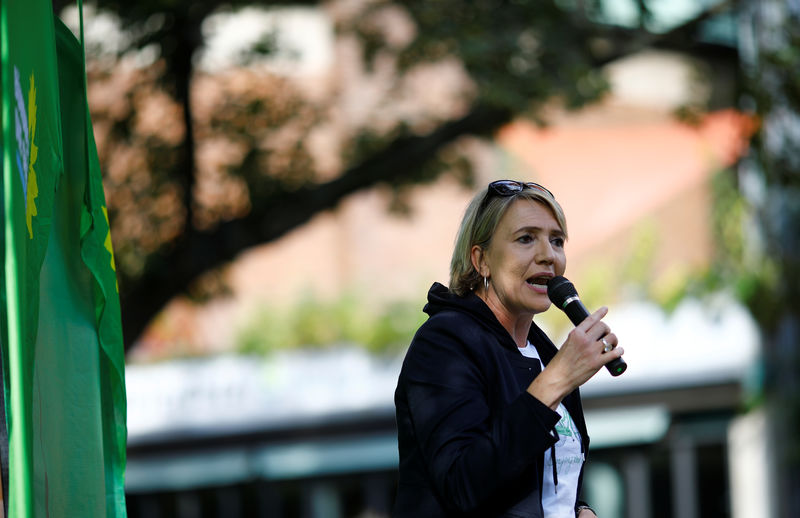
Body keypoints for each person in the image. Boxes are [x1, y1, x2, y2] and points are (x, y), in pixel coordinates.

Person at [393, 180, 625, 517]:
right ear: (481, 259)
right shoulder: (444, 343)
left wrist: (579, 508)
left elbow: (541, 479)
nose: (548, 255)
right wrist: (556, 380)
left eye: (556, 240)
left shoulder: (543, 352)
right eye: (526, 238)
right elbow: (463, 483)